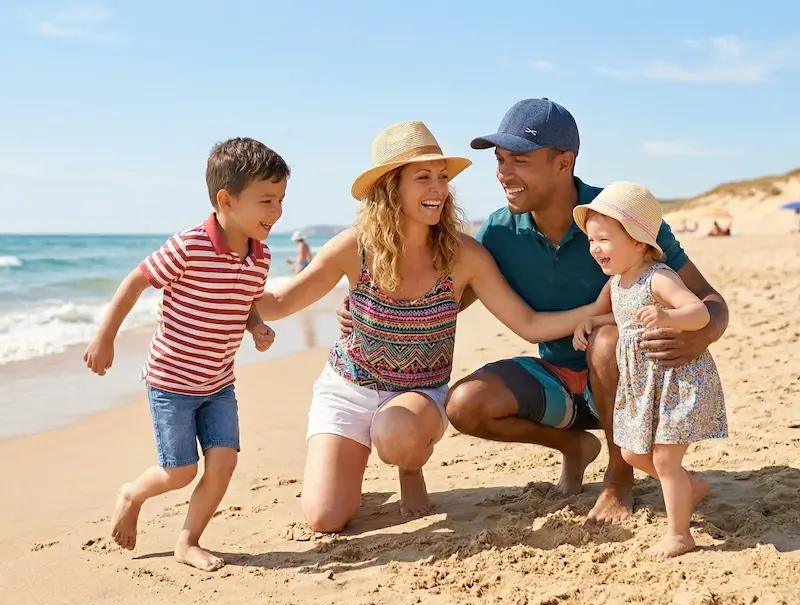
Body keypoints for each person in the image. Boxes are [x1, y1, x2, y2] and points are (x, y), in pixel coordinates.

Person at [337, 99, 729, 525]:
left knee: (606, 339)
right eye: (500, 160)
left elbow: (710, 301)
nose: (504, 173)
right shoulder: (499, 232)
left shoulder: (619, 217)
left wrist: (698, 335)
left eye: (519, 160)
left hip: (639, 385)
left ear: (564, 163)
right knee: (466, 404)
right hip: (560, 384)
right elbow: (445, 302)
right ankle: (574, 446)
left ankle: (619, 480)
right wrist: (372, 308)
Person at [252, 121, 602, 533]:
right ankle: (350, 472)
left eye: (442, 178)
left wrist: (595, 312)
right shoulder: (354, 246)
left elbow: (527, 323)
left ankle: (409, 468)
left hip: (416, 397)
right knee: (325, 519)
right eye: (423, 178)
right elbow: (279, 302)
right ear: (389, 186)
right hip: (348, 388)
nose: (438, 189)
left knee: (396, 433)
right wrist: (209, 293)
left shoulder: (463, 254)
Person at [82, 137, 285, 571]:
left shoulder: (260, 255)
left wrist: (257, 326)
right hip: (172, 383)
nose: (277, 211)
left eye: (281, 200)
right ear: (225, 200)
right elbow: (135, 282)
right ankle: (132, 494)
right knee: (179, 472)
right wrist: (105, 337)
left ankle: (188, 541)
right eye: (266, 200)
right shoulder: (189, 245)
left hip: (218, 383)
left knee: (224, 463)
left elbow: (244, 301)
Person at [572, 181, 727, 557]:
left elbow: (699, 311)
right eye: (592, 241)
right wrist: (587, 324)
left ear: (639, 242)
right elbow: (616, 316)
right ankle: (690, 487)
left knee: (662, 458)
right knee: (632, 454)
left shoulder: (659, 276)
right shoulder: (617, 282)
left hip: (677, 381)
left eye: (605, 240)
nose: (595, 249)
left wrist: (668, 315)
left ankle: (680, 535)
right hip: (643, 386)